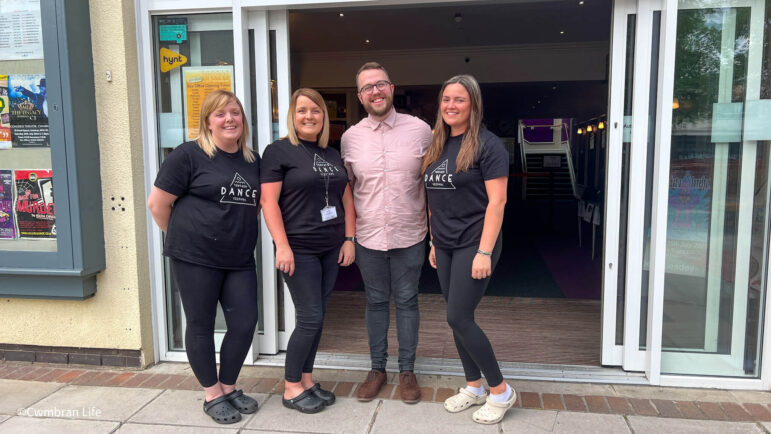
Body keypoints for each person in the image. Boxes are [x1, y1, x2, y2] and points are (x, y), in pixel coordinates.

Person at [147, 90, 260, 424]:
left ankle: (228, 386)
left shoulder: (252, 161)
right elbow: (157, 204)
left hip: (239, 257)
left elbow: (256, 206)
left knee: (244, 322)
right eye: (220, 114)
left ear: (243, 120)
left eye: (235, 113)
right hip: (195, 257)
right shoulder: (188, 155)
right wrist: (185, 238)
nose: (229, 119)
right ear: (208, 122)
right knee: (201, 324)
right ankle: (212, 393)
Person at [422, 75, 515, 424]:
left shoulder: (488, 146)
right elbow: (434, 198)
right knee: (458, 319)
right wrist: (433, 240)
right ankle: (473, 386)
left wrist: (484, 252)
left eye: (459, 100)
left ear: (473, 104)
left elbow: (498, 202)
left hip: (475, 243)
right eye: (446, 99)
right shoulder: (438, 144)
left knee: (457, 316)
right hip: (444, 243)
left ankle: (500, 390)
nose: (450, 106)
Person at [341, 62, 432, 403]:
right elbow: (347, 190)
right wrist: (348, 237)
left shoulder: (422, 131)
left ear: (392, 88)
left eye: (380, 84)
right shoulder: (350, 138)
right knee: (376, 301)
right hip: (368, 236)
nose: (375, 91)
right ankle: (377, 368)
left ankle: (407, 371)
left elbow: (434, 186)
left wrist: (436, 236)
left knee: (408, 301)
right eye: (367, 88)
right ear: (361, 96)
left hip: (411, 234)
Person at [260, 88, 356, 414]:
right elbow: (268, 201)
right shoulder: (279, 151)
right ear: (293, 115)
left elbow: (345, 198)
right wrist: (282, 246)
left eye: (315, 111)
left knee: (318, 317)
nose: (309, 116)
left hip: (330, 247)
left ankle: (307, 379)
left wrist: (349, 238)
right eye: (302, 110)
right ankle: (290, 388)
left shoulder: (331, 152)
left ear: (323, 117)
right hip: (298, 248)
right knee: (310, 317)